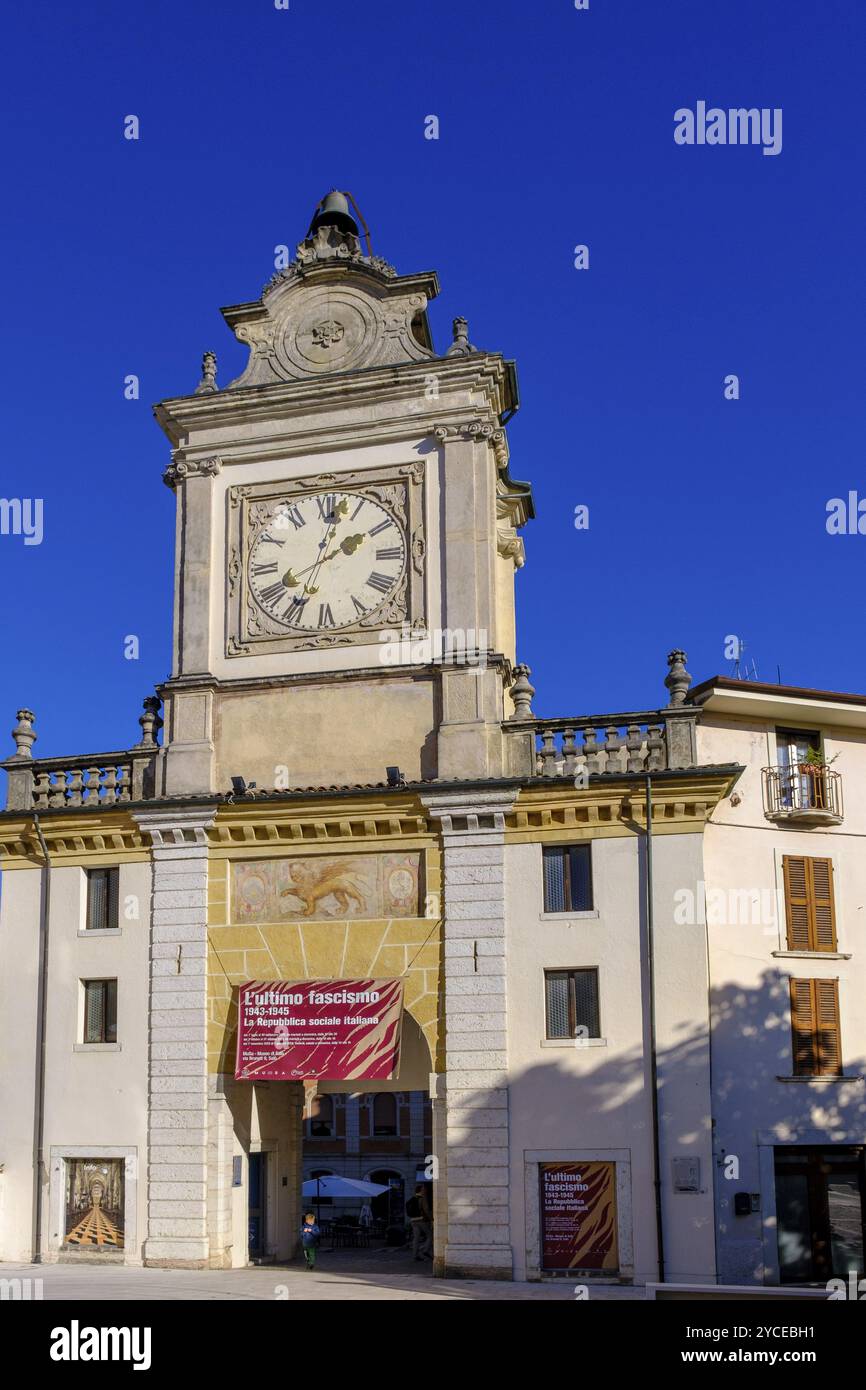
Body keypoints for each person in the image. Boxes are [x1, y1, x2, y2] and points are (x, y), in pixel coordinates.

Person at [406, 1185, 432, 1260]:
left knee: (416, 1238)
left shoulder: (412, 1198)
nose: (425, 1190)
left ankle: (415, 1256)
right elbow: (426, 1209)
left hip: (413, 1220)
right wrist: (431, 1219)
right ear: (421, 1190)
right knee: (430, 1235)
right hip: (421, 1220)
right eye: (424, 1189)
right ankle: (426, 1250)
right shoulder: (422, 1198)